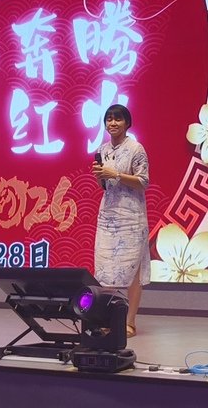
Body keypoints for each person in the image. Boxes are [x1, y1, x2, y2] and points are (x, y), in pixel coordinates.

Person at [91, 104, 149, 337]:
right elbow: (105, 186)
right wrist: (101, 177)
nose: (112, 123)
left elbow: (143, 181)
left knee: (132, 270)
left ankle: (129, 322)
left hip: (131, 216)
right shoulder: (102, 149)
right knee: (106, 269)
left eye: (118, 119)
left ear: (127, 123)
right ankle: (109, 319)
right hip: (108, 215)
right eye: (109, 119)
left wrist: (114, 173)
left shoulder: (136, 148)